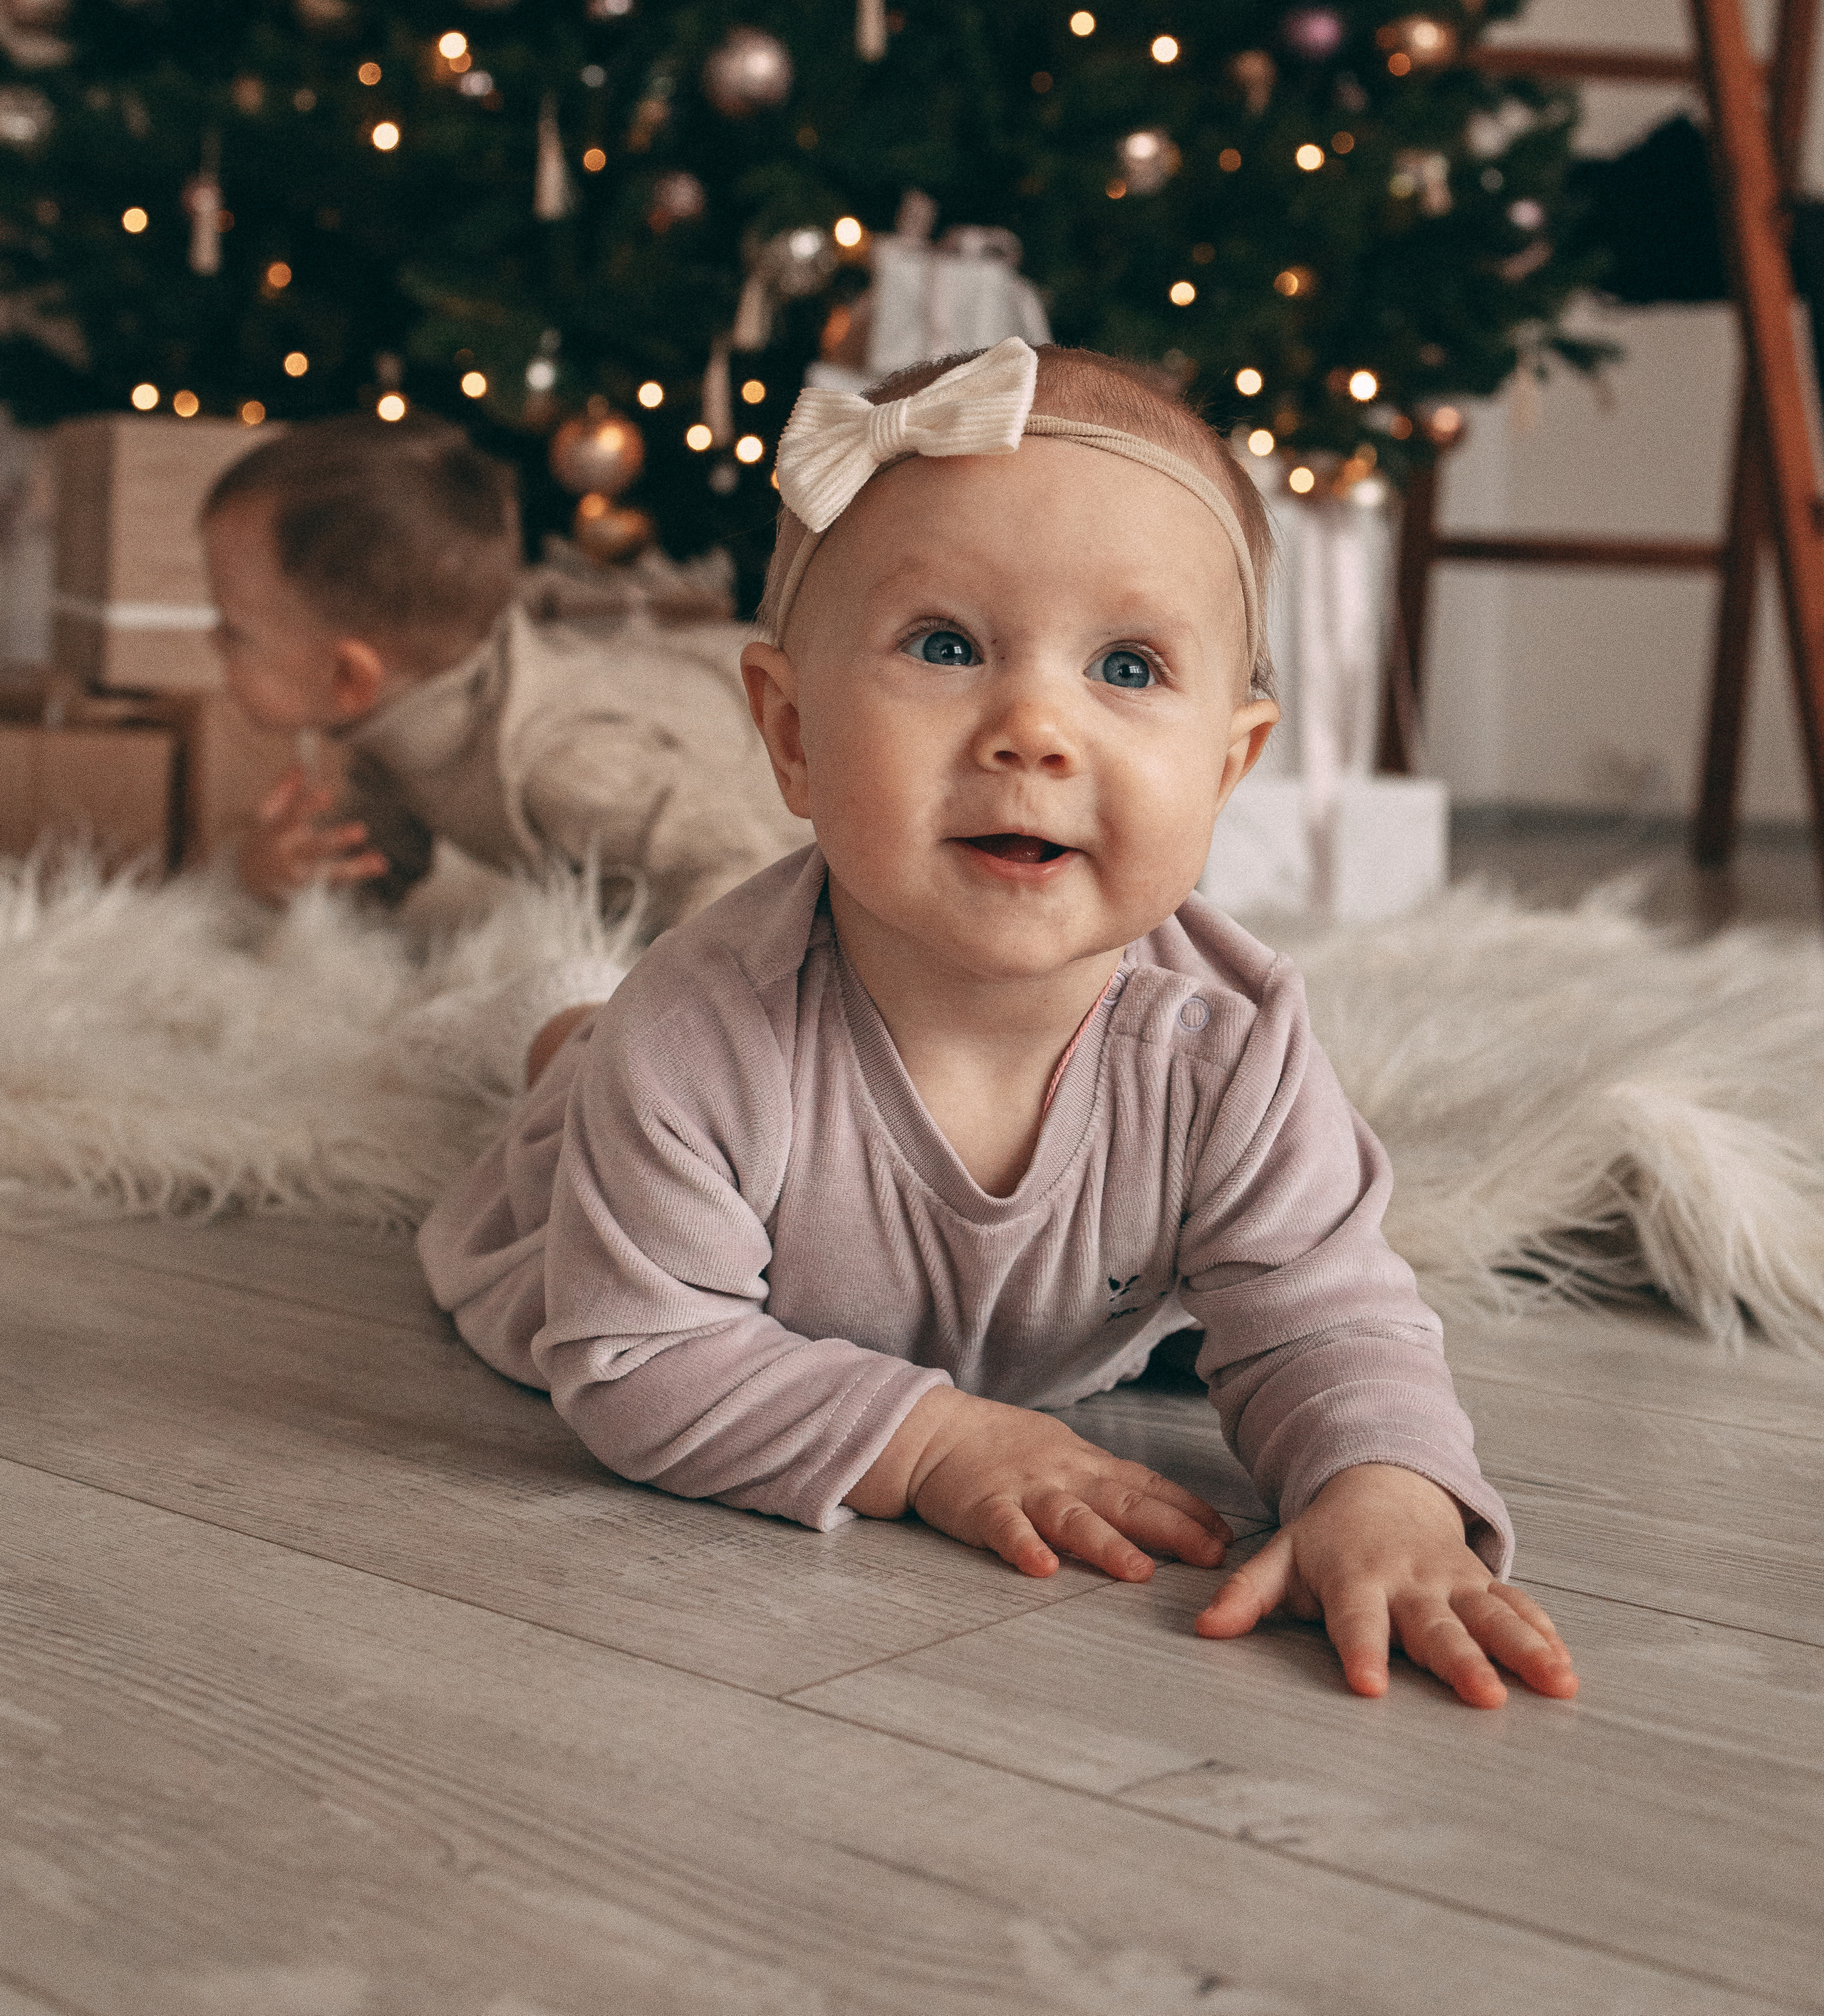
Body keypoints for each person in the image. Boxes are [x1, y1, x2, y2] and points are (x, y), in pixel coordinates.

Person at [419, 340, 1579, 1709]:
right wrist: (937, 1444)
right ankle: (570, 1049)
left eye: (1130, 668)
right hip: (641, 1146)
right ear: (790, 734)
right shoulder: (706, 1034)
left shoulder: (1229, 1044)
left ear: (1227, 767)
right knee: (601, 1075)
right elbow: (644, 1355)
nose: (1034, 728)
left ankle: (577, 1039)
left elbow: (1327, 1317)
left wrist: (1383, 1492)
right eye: (948, 645)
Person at [200, 413, 802, 970]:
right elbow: (371, 874)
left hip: (786, 761)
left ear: (349, 677)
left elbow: (738, 868)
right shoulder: (396, 732)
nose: (212, 640)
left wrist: (663, 1011)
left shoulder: (561, 764)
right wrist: (274, 874)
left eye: (233, 630)